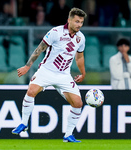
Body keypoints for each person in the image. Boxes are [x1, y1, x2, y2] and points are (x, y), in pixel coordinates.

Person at [12, 7, 87, 143]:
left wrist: (83, 72)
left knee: (78, 103)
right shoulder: (55, 32)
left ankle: (68, 135)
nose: (79, 25)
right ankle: (23, 123)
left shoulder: (81, 38)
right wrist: (27, 66)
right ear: (69, 20)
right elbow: (39, 49)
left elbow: (79, 57)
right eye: (76, 21)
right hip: (46, 71)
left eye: (81, 22)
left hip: (64, 75)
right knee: (31, 91)